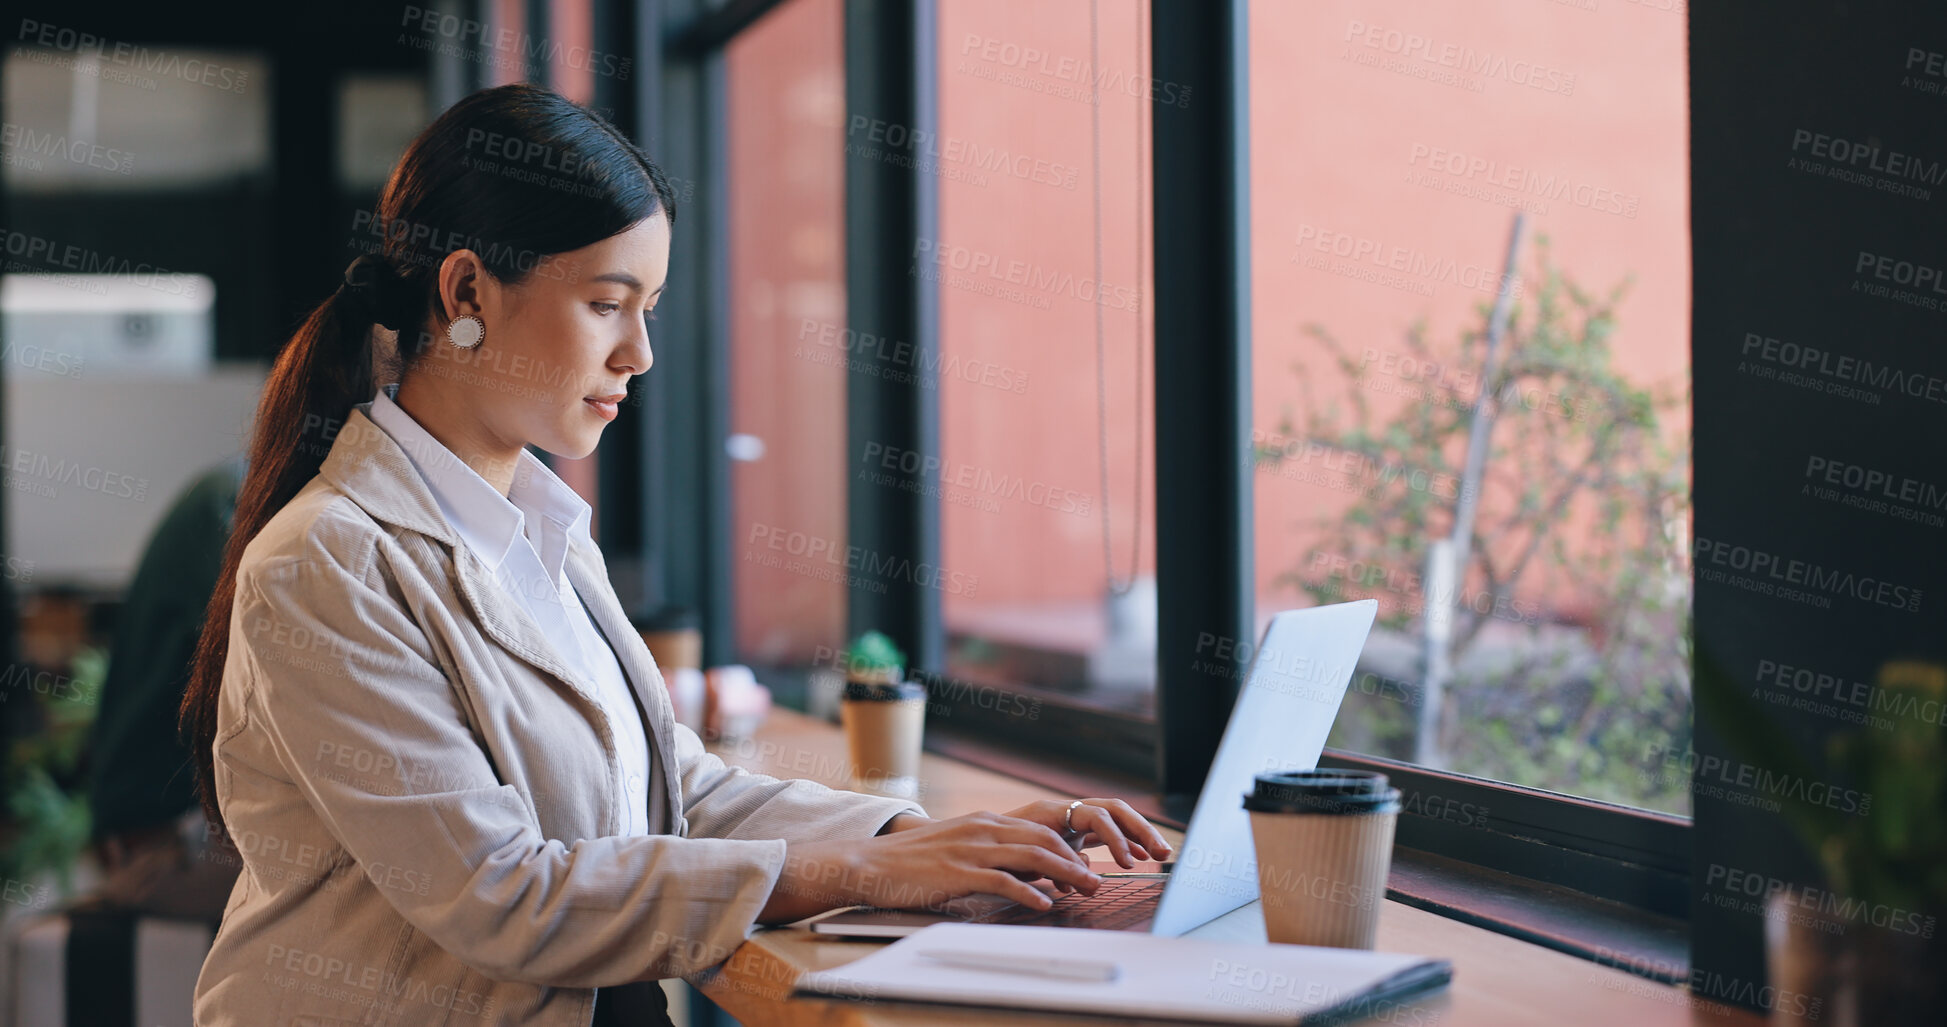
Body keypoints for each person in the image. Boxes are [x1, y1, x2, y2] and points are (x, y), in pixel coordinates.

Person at [178, 83, 1170, 1027]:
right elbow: (501, 893)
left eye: (647, 308)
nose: (639, 354)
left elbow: (674, 791)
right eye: (609, 302)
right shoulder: (328, 566)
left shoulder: (543, 529)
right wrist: (863, 875)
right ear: (467, 288)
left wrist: (928, 840)